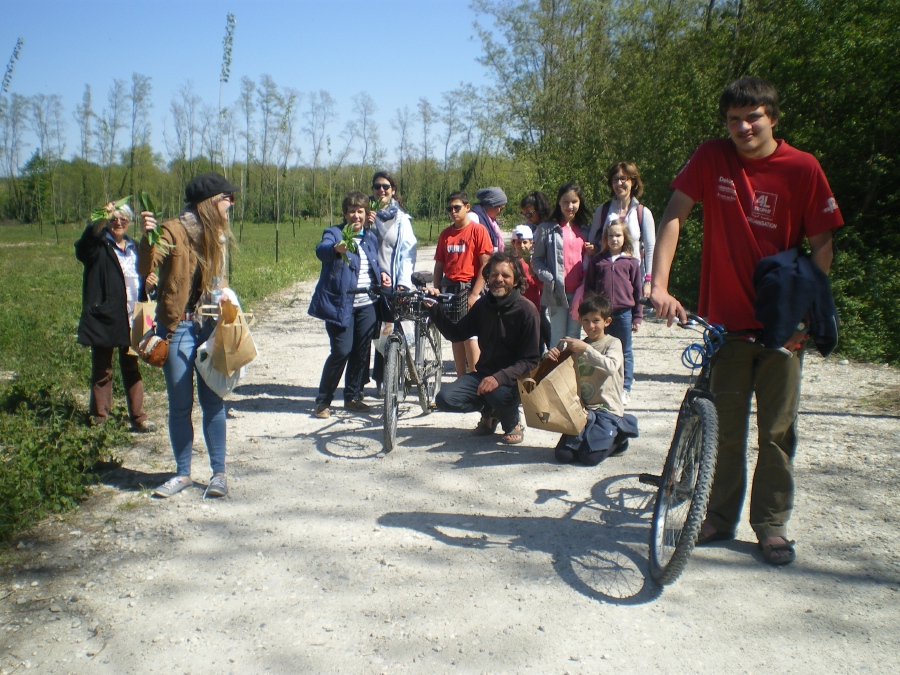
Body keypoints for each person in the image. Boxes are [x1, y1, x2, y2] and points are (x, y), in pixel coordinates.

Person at [650, 76, 844, 566]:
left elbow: (822, 246)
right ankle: (718, 516)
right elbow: (674, 214)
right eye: (734, 119)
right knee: (726, 430)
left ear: (772, 118)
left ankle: (771, 525)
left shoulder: (802, 168)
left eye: (753, 117)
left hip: (783, 328)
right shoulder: (711, 156)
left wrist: (805, 312)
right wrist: (659, 285)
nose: (743, 127)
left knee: (777, 434)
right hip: (726, 326)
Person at [139, 172, 240, 499]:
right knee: (180, 404)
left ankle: (219, 474)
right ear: (210, 202)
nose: (232, 203)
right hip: (178, 328)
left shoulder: (218, 235)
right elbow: (147, 266)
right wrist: (148, 238)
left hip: (210, 326)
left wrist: (226, 300)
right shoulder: (172, 231)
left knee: (213, 401)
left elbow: (220, 280)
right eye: (227, 198)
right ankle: (182, 474)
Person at [427, 251, 541, 445]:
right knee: (445, 398)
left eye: (505, 275)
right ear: (487, 278)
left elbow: (531, 361)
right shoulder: (483, 306)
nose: (499, 279)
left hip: (514, 380)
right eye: (494, 274)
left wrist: (499, 378)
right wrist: (434, 307)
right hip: (484, 374)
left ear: (515, 281)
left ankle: (512, 423)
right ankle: (489, 411)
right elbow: (456, 334)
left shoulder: (527, 311)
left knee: (497, 393)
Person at [309, 191, 389, 418]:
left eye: (360, 211)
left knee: (361, 352)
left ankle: (353, 397)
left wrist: (383, 275)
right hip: (340, 304)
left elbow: (375, 263)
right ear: (345, 214)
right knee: (341, 350)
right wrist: (335, 248)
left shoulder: (369, 237)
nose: (356, 215)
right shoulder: (334, 233)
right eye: (352, 211)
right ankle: (323, 401)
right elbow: (321, 251)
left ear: (366, 213)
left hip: (367, 304)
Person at [75, 202, 154, 432]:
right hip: (106, 316)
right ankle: (99, 419)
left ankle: (139, 418)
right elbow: (82, 248)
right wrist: (100, 217)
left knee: (131, 366)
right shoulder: (98, 245)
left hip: (132, 315)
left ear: (129, 222)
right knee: (103, 369)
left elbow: (142, 276)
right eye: (113, 219)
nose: (118, 223)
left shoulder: (134, 247)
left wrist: (150, 284)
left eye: (123, 219)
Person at [544, 293, 637, 465]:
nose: (590, 326)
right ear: (579, 320)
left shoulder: (612, 343)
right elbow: (560, 375)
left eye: (596, 321)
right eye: (586, 320)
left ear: (607, 322)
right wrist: (550, 358)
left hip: (606, 409)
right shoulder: (578, 346)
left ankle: (619, 437)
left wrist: (585, 349)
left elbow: (611, 366)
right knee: (564, 455)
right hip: (583, 410)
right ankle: (592, 437)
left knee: (589, 458)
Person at [366, 170, 417, 396]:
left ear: (393, 190)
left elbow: (408, 253)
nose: (381, 190)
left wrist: (403, 282)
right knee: (367, 332)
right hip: (368, 282)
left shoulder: (402, 220)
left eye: (386, 186)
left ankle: (386, 378)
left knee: (387, 331)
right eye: (377, 186)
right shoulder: (365, 215)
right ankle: (358, 386)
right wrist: (365, 225)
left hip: (391, 283)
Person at [433, 191, 493, 376]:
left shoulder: (478, 230)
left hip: (470, 286)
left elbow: (485, 264)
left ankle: (475, 379)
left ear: (467, 207)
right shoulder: (445, 234)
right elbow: (439, 264)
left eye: (457, 207)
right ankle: (461, 379)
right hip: (450, 287)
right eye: (449, 208)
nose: (453, 211)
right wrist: (436, 289)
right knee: (455, 335)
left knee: (471, 336)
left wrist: (474, 294)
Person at [583, 219, 643, 404]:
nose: (614, 239)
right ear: (605, 238)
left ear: (624, 238)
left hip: (624, 313)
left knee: (625, 351)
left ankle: (625, 388)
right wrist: (588, 313)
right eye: (610, 236)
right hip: (602, 315)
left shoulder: (631, 262)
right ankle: (605, 385)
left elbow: (638, 291)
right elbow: (589, 288)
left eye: (618, 235)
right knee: (602, 348)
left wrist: (637, 316)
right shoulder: (598, 261)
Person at [532, 182, 595, 348]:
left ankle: (571, 366)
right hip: (557, 292)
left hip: (579, 291)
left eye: (574, 202)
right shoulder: (546, 229)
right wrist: (549, 278)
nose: (570, 206)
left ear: (580, 203)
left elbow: (592, 260)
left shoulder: (586, 230)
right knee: (558, 337)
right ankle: (555, 366)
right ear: (559, 202)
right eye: (566, 202)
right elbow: (536, 260)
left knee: (574, 336)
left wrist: (593, 251)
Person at [587, 162, 656, 298]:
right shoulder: (603, 211)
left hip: (635, 280)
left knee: (635, 312)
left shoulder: (642, 213)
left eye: (623, 179)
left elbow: (650, 248)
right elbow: (591, 242)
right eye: (615, 179)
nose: (619, 183)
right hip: (606, 280)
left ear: (633, 182)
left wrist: (648, 280)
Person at [510, 224, 550, 352]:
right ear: (513, 243)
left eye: (525, 242)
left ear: (531, 243)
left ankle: (546, 350)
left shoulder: (535, 262)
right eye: (518, 242)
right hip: (517, 305)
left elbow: (541, 285)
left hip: (534, 304)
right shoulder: (510, 263)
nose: (522, 246)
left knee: (538, 331)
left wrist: (535, 275)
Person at [469, 187, 507, 252]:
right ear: (491, 205)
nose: (500, 212)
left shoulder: (491, 221)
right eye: (501, 209)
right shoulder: (473, 218)